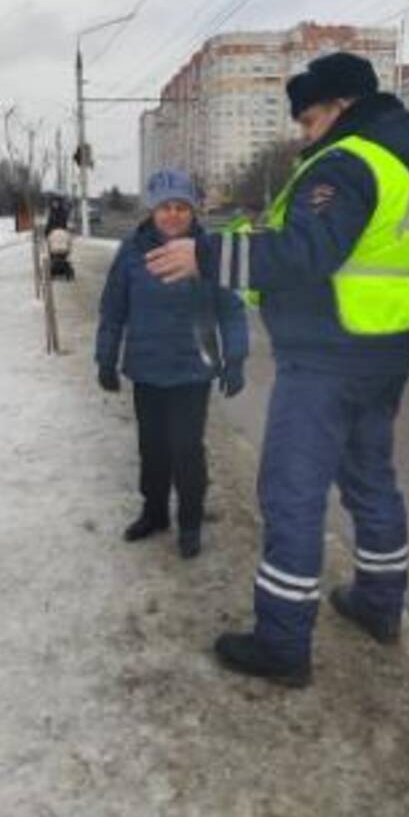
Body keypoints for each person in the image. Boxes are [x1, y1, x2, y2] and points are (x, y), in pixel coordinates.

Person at [146, 52, 409, 686]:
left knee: (291, 495)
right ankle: (380, 604)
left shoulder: (348, 161)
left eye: (310, 120)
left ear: (342, 106)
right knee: (371, 478)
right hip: (386, 349)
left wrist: (205, 253)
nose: (305, 134)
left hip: (326, 358)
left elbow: (304, 252)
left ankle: (282, 644)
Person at [96, 168, 249, 559]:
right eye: (166, 207)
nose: (174, 215)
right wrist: (106, 358)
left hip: (191, 368)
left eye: (182, 207)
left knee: (186, 448)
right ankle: (155, 512)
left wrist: (235, 359)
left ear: (193, 211)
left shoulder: (210, 252)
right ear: (152, 210)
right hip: (146, 367)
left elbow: (231, 309)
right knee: (152, 448)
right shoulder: (132, 250)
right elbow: (113, 309)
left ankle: (191, 522)